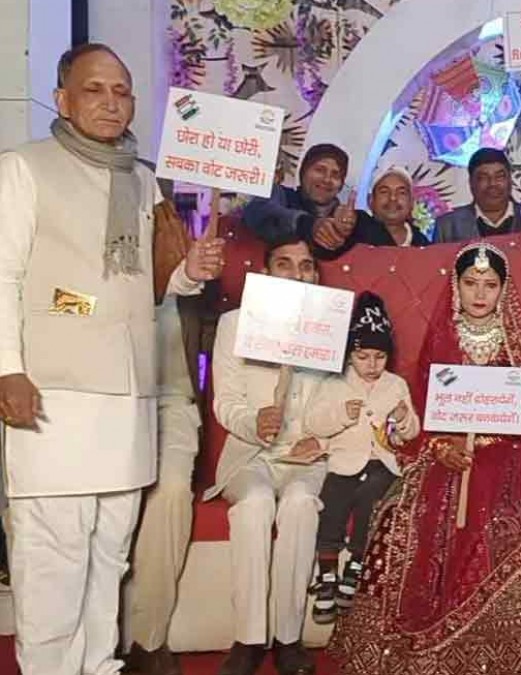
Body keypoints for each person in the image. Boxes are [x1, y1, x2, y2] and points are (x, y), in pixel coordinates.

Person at [0, 43, 224, 675]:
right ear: (62, 98)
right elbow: (3, 275)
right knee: (53, 557)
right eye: (94, 89)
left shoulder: (140, 178)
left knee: (109, 555)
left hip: (129, 394)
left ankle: (99, 664)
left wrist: (188, 272)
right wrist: (7, 367)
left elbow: (142, 285)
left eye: (121, 91)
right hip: (54, 391)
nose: (110, 102)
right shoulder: (22, 168)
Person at [330, 243, 521, 675]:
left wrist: (512, 408)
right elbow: (428, 408)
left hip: (507, 450)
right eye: (470, 283)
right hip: (450, 450)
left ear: (503, 290)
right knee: (405, 514)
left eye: (490, 285)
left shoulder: (516, 338)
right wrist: (443, 446)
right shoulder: (443, 336)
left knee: (510, 514)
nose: (480, 294)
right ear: (456, 286)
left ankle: (505, 643)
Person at [205, 236, 330, 675]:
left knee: (299, 504)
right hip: (250, 454)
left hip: (306, 456)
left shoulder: (330, 326)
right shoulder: (234, 324)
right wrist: (254, 422)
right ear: (265, 272)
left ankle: (289, 638)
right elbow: (225, 401)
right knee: (256, 503)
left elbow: (343, 399)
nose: (297, 274)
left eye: (306, 265)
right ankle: (249, 638)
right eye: (284, 264)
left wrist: (320, 441)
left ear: (316, 275)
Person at [302, 291, 419, 625]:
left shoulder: (395, 385)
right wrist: (341, 414)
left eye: (379, 357)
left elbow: (410, 432)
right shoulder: (334, 383)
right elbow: (313, 422)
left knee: (372, 499)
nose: (371, 365)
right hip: (343, 462)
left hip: (382, 462)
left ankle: (356, 564)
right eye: (363, 356)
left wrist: (403, 419)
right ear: (350, 354)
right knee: (332, 502)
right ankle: (326, 574)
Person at [123, 297, 203, 675]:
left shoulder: (192, 288)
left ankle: (149, 641)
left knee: (171, 491)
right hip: (109, 402)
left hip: (173, 405)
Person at [242, 142, 374, 248]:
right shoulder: (281, 195)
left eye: (335, 175)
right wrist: (307, 225)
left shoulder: (349, 219)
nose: (327, 179)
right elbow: (258, 212)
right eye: (320, 170)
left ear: (341, 184)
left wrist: (350, 230)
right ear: (303, 172)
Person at [309, 166, 429, 260]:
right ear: (371, 201)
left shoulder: (424, 245)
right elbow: (325, 251)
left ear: (411, 203)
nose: (393, 198)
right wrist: (336, 230)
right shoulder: (357, 225)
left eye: (401, 192)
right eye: (384, 191)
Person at [433, 148, 521, 243]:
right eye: (483, 178)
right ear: (471, 183)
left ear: (510, 180)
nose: (492, 184)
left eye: (499, 177)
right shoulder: (448, 226)